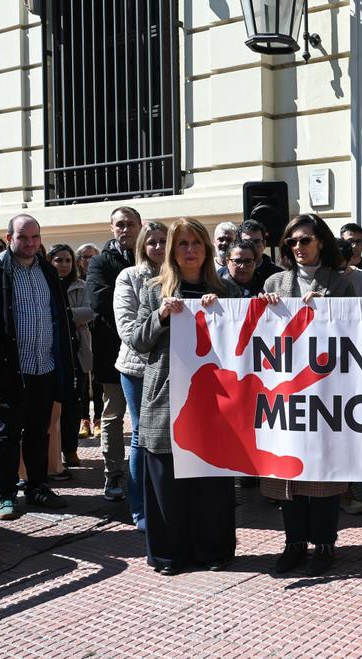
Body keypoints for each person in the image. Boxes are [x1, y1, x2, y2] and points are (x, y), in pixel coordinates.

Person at [131, 218, 239, 575]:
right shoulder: (153, 290)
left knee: (210, 480)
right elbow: (137, 342)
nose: (190, 250)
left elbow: (245, 340)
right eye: (182, 244)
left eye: (196, 243)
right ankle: (168, 555)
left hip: (214, 400)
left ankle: (214, 551)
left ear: (207, 249)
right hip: (166, 397)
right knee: (168, 481)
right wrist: (161, 316)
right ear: (172, 252)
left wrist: (221, 312)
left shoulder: (225, 291)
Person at [260, 213, 356, 577]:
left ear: (321, 242)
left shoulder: (340, 282)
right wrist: (264, 305)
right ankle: (294, 543)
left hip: (327, 390)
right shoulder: (275, 281)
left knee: (324, 471)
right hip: (286, 391)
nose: (298, 248)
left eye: (305, 240)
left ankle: (326, 543)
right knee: (289, 471)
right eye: (292, 242)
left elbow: (353, 329)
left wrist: (327, 309)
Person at [0, 214, 72, 519]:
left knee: (38, 432)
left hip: (44, 365)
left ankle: (38, 487)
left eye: (35, 237)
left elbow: (58, 316)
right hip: (9, 370)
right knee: (7, 434)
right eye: (23, 237)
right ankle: (5, 494)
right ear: (9, 238)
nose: (30, 244)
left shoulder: (46, 269)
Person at [115, 221, 168, 532]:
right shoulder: (130, 277)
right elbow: (127, 329)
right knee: (141, 436)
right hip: (137, 369)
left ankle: (165, 502)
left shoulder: (177, 275)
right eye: (153, 242)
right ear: (142, 246)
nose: (159, 248)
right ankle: (138, 507)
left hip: (174, 368)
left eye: (164, 241)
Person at [87, 206, 142, 502]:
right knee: (113, 414)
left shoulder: (154, 257)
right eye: (120, 224)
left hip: (152, 353)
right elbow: (98, 299)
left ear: (139, 225)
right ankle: (114, 475)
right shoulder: (99, 262)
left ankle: (145, 474)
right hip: (112, 351)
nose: (126, 229)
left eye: (131, 224)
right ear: (112, 228)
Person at [47, 244, 93, 475]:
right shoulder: (44, 283)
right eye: (58, 260)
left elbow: (90, 311)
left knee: (74, 404)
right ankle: (52, 454)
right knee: (52, 405)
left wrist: (63, 314)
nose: (63, 265)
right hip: (49, 352)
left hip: (76, 353)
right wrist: (71, 315)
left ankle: (71, 449)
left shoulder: (81, 285)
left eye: (67, 260)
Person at [75, 243, 102, 437]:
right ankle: (84, 420)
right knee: (83, 380)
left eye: (92, 257)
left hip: (99, 332)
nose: (88, 260)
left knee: (98, 379)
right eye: (85, 257)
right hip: (81, 334)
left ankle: (99, 419)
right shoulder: (75, 281)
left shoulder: (100, 278)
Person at [238, 219, 284, 286]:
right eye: (247, 242)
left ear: (264, 244)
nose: (252, 246)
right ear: (238, 245)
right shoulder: (225, 274)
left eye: (256, 241)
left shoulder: (280, 276)